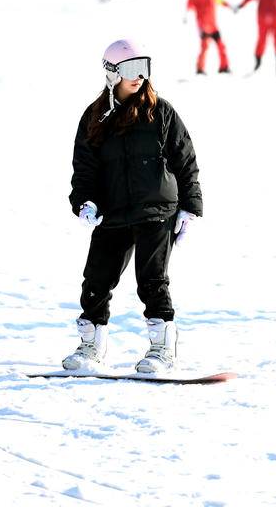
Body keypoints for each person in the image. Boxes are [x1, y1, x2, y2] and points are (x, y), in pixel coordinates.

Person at [65, 39, 202, 374]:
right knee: (96, 280)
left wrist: (190, 206)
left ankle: (161, 350)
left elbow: (185, 160)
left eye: (144, 68)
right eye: (130, 69)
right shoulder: (95, 117)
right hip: (112, 212)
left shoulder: (160, 112)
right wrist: (85, 201)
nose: (139, 77)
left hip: (157, 210)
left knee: (152, 280)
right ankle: (90, 347)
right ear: (112, 73)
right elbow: (84, 168)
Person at [185, 0, 232, 75]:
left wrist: (228, 5)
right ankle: (200, 69)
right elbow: (190, 3)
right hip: (204, 23)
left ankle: (224, 67)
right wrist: (187, 14)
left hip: (212, 23)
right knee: (205, 45)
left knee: (221, 45)